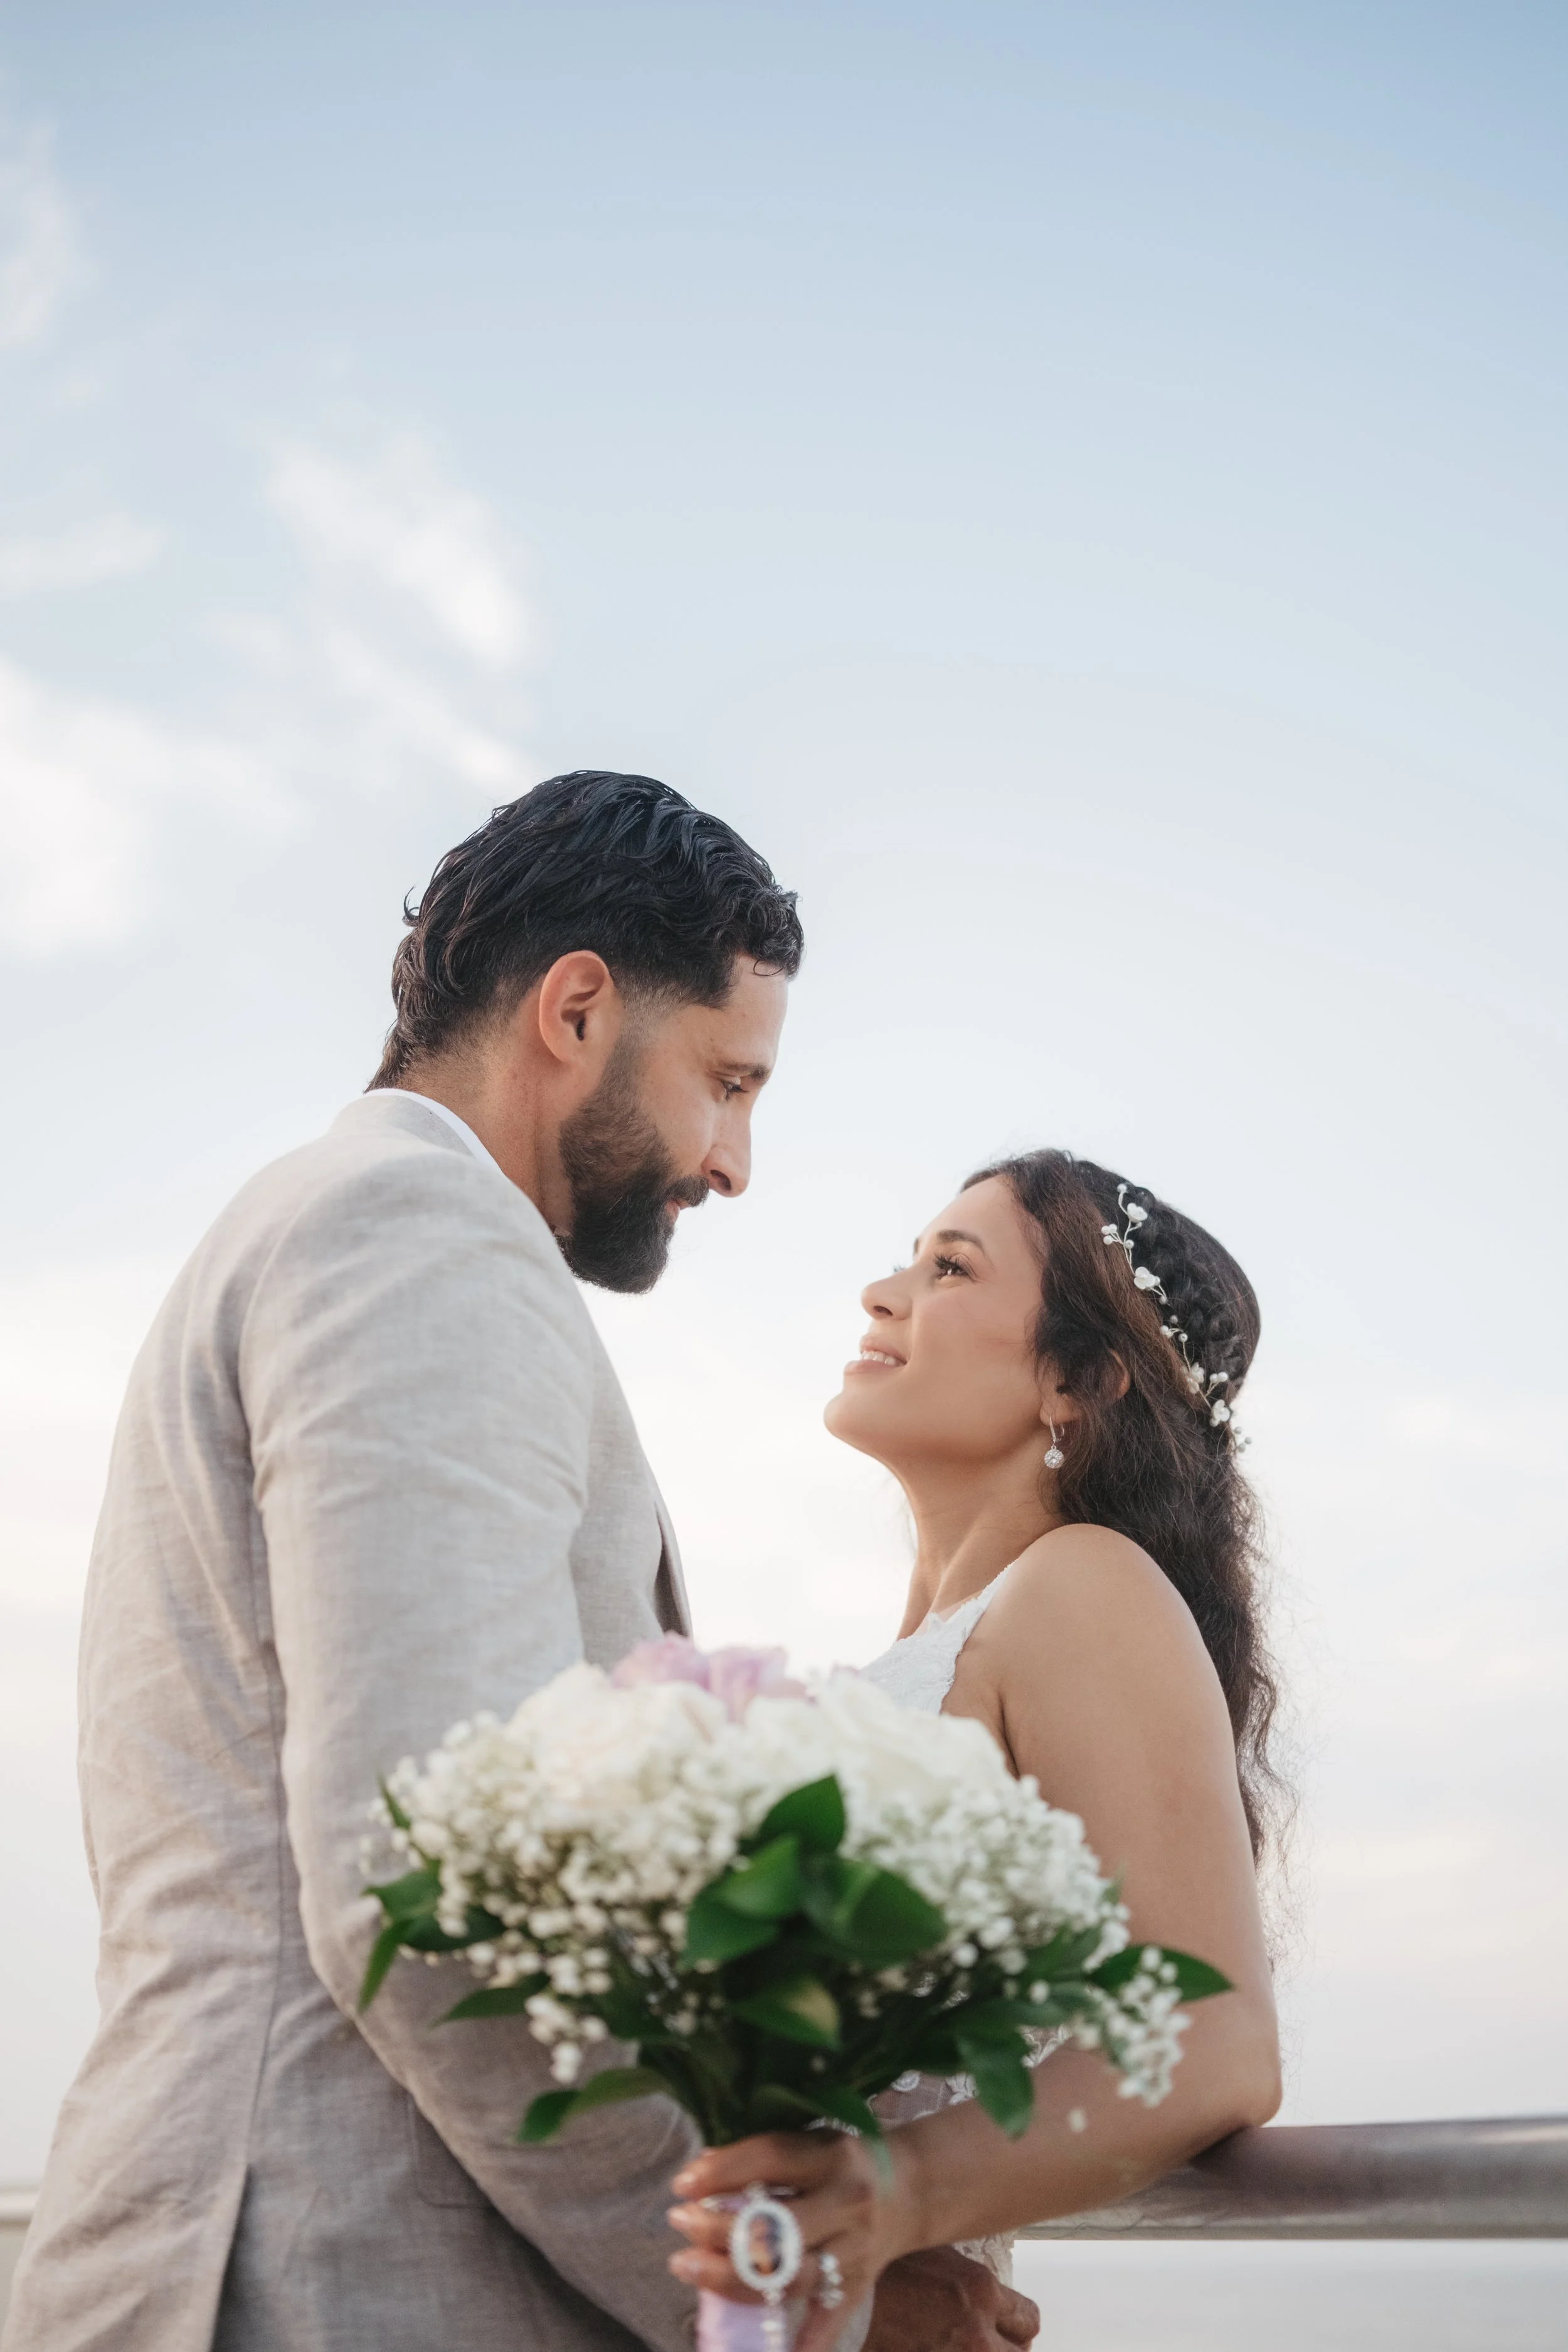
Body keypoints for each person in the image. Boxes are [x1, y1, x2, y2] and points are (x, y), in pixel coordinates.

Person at [667, 1150, 1285, 2344]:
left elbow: (1212, 2044)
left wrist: (877, 2206)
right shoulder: (924, 1649)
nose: (881, 1294)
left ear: (1078, 1377)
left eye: (948, 1266)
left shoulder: (1082, 1585)